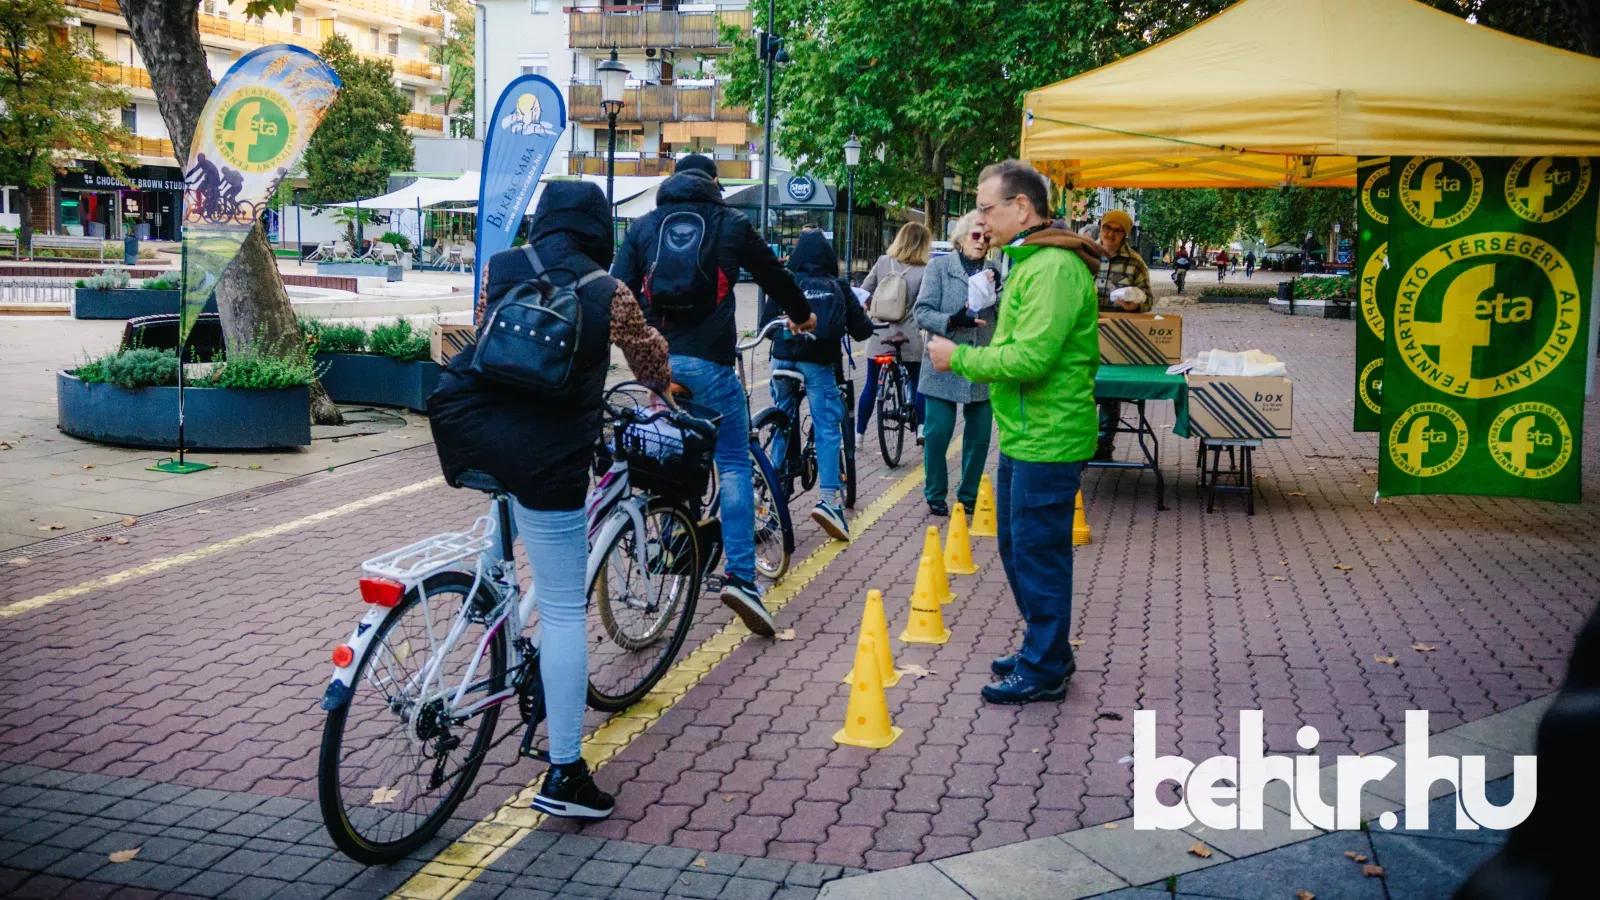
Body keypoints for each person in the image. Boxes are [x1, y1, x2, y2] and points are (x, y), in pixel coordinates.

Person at [427, 181, 672, 819]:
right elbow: (646, 354)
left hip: (475, 433)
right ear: (597, 228)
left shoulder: (503, 267)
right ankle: (565, 772)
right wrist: (667, 386)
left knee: (505, 526)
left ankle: (487, 596)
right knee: (562, 611)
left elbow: (490, 337)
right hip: (548, 458)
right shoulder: (607, 291)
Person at [612, 154, 816, 637]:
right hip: (711, 363)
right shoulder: (730, 223)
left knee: (668, 453)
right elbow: (775, 276)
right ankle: (742, 577)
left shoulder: (644, 225)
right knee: (732, 462)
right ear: (714, 183)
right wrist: (802, 316)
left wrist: (647, 329)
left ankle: (669, 540)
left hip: (658, 366)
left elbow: (616, 287)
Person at [927, 160, 1102, 705]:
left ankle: (1045, 666)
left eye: (987, 208)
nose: (980, 221)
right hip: (1028, 433)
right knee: (1017, 547)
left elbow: (1031, 357)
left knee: (1037, 554)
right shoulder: (1029, 261)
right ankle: (1045, 647)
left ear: (1021, 207)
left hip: (1048, 438)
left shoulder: (1051, 267)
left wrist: (959, 359)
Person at [763, 230, 875, 540]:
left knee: (781, 419)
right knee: (827, 428)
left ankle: (771, 487)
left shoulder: (786, 282)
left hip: (782, 362)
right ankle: (829, 502)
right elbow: (863, 331)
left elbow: (765, 325)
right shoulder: (838, 286)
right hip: (819, 365)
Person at [914, 212, 999, 517]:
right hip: (943, 360)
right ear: (961, 238)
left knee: (979, 437)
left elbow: (1004, 317)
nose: (982, 242)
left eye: (986, 237)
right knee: (938, 432)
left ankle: (969, 495)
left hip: (979, 365)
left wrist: (999, 290)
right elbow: (921, 312)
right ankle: (935, 492)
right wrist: (951, 320)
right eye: (976, 236)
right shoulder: (939, 267)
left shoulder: (994, 269)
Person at [857, 222, 930, 441]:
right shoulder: (924, 270)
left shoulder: (882, 262)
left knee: (871, 384)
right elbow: (924, 305)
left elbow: (863, 292)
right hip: (908, 336)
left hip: (879, 334)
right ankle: (921, 428)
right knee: (919, 383)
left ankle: (858, 434)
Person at [1090, 209, 1152, 462]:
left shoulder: (1135, 262)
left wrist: (1136, 305)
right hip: (1085, 330)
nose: (1111, 234)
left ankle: (1104, 443)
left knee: (1110, 393)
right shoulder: (1086, 254)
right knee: (1083, 387)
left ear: (1125, 234)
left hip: (1118, 335)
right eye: (1107, 228)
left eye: (1118, 230)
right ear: (1100, 229)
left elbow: (1148, 298)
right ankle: (1080, 441)